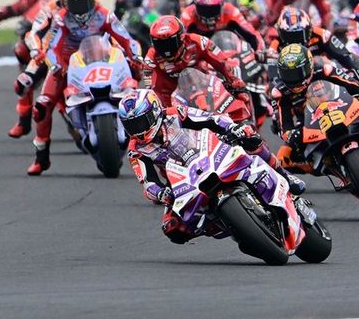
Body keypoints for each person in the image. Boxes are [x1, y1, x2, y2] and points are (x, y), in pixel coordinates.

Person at [120, 89, 305, 243]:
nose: (139, 130)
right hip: (182, 180)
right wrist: (161, 194)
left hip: (210, 152)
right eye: (131, 126)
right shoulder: (136, 149)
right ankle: (230, 226)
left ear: (154, 111)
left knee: (249, 135)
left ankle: (284, 175)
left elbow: (211, 119)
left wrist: (232, 128)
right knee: (173, 229)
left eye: (140, 122)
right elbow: (147, 182)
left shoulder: (175, 114)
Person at [18, 0, 143, 176]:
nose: (80, 8)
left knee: (138, 75)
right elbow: (53, 47)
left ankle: (151, 135)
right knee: (42, 105)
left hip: (102, 57)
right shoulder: (61, 18)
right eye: (75, 3)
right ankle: (41, 157)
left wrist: (136, 56)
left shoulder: (104, 15)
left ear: (92, 0)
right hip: (69, 65)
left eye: (83, 2)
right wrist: (57, 66)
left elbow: (126, 38)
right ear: (66, 3)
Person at [269, 45, 359, 170]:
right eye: (288, 74)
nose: (294, 79)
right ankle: (321, 172)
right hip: (309, 121)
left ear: (309, 66)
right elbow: (284, 126)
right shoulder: (279, 93)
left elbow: (352, 84)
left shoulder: (325, 70)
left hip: (341, 105)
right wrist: (291, 135)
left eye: (297, 73)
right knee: (282, 159)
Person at [7, 0, 82, 138]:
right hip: (49, 55)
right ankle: (23, 120)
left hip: (81, 54)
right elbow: (30, 29)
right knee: (23, 82)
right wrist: (36, 48)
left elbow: (108, 28)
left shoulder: (93, 3)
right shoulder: (49, 6)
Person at [142, 15, 248, 108]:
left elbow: (222, 62)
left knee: (241, 97)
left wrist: (235, 82)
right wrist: (166, 110)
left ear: (181, 37)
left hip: (208, 87)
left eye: (170, 43)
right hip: (176, 99)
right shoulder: (150, 60)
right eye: (160, 44)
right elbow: (153, 90)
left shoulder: (198, 42)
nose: (166, 50)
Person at [267, 6, 359, 83]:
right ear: (281, 33)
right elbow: (273, 78)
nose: (296, 41)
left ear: (309, 29)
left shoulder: (321, 34)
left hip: (322, 79)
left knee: (320, 61)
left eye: (299, 34)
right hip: (293, 85)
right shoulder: (275, 45)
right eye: (291, 36)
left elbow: (346, 55)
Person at [180, 0, 265, 53]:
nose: (209, 14)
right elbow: (180, 40)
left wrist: (260, 51)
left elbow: (251, 33)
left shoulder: (231, 11)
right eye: (204, 9)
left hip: (227, 55)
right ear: (195, 5)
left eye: (213, 9)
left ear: (222, 5)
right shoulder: (188, 14)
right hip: (199, 56)